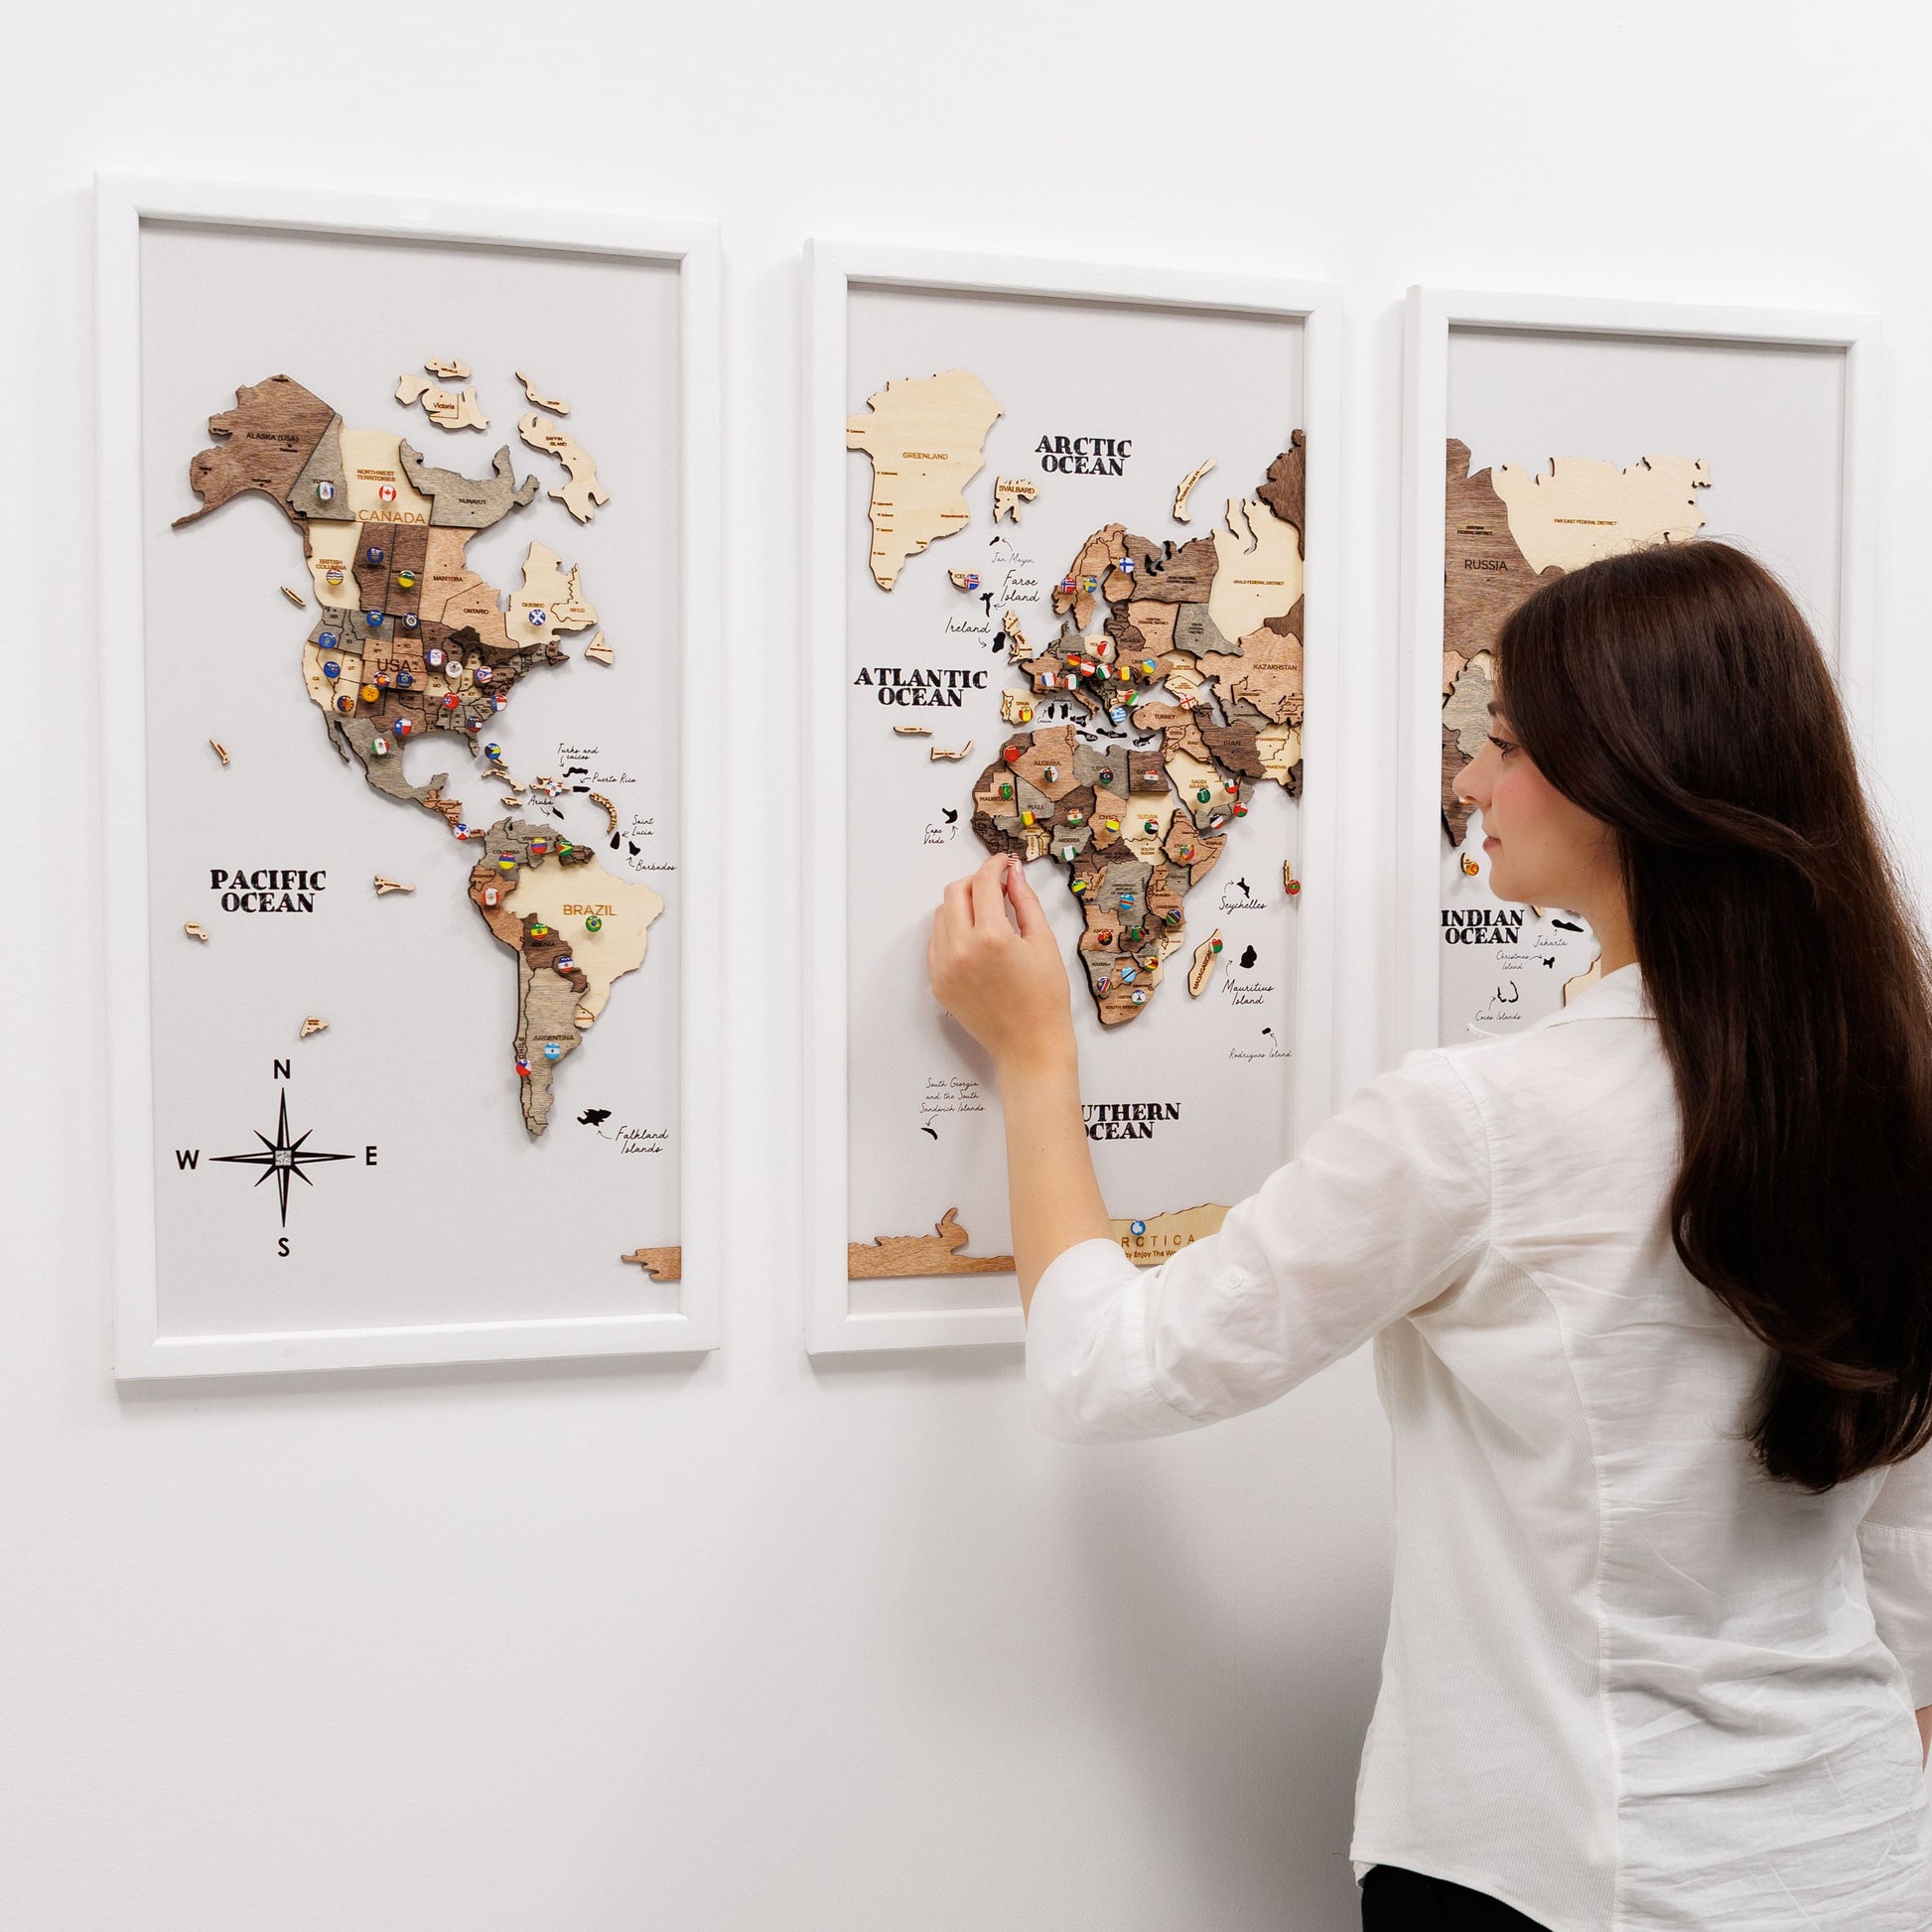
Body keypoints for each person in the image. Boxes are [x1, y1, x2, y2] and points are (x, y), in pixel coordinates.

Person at [927, 541, 1932, 1932]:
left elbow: (1107, 1366)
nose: (1469, 783)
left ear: (1630, 780)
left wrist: (1034, 1056)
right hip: (1863, 1855)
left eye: (1508, 746)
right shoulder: (1892, 1088)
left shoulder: (1482, 1121)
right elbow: (1906, 1540)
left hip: (1560, 1879)